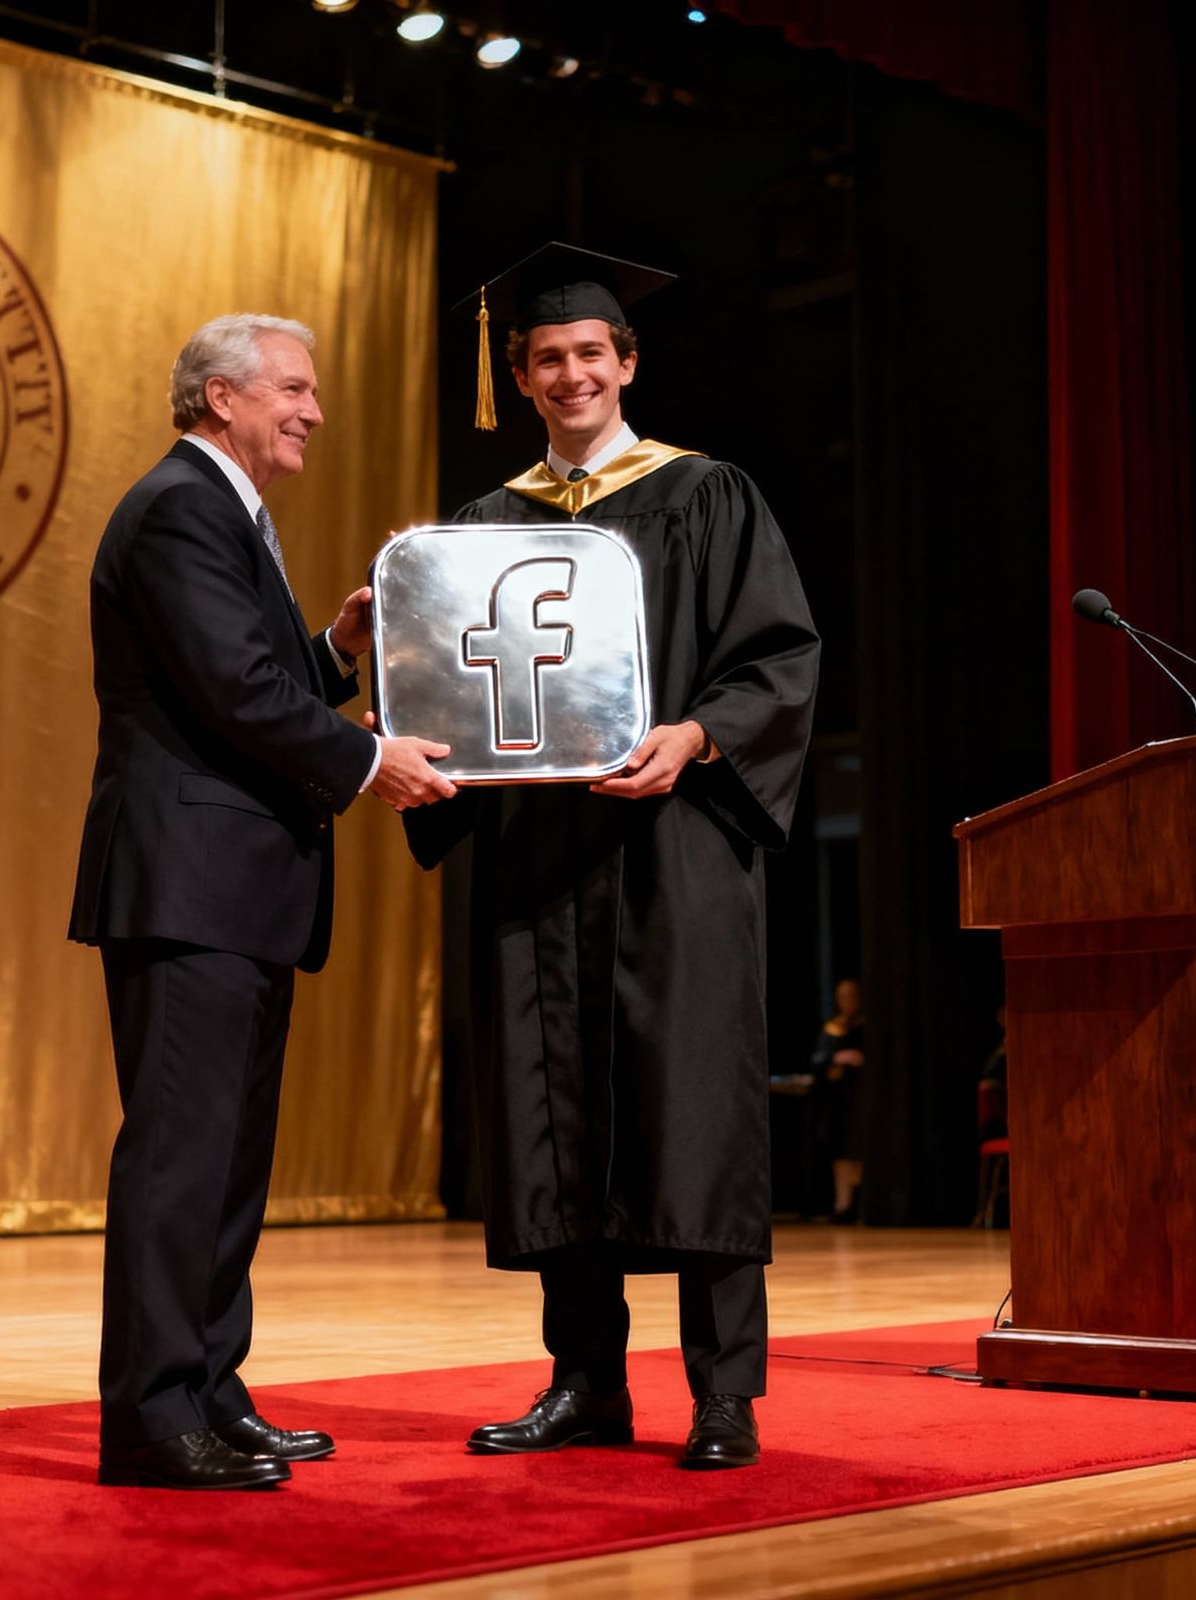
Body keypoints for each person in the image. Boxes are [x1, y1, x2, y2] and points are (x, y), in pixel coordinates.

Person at [404, 245, 820, 1470]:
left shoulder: (706, 495)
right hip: (539, 853)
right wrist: (416, 735)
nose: (570, 373)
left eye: (590, 352)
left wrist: (696, 735)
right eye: (547, 358)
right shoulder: (483, 528)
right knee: (556, 1112)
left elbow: (777, 659)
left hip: (675, 843)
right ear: (521, 378)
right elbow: (455, 688)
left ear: (627, 363)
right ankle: (584, 1380)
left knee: (694, 1112)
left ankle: (724, 1392)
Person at [68, 313, 455, 1490]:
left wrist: (332, 650)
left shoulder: (224, 510)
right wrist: (367, 757)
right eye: (292, 388)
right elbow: (231, 690)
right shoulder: (181, 507)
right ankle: (151, 1418)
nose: (314, 410)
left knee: (227, 1165)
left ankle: (209, 1392)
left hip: (234, 890)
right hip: (189, 885)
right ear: (221, 396)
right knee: (181, 1160)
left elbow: (248, 675)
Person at [810, 977, 866, 1222]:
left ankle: (860, 1205)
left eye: (852, 995)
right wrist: (837, 1058)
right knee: (840, 1149)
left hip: (860, 1098)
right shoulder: (832, 1028)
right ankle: (842, 1205)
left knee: (859, 1149)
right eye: (843, 996)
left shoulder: (867, 1027)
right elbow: (817, 1060)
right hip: (838, 1100)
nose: (848, 1001)